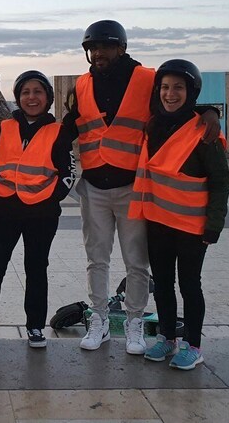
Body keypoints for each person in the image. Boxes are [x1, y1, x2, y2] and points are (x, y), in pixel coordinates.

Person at [61, 20, 220, 355]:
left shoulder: (148, 79)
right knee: (96, 259)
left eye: (105, 46)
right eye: (93, 48)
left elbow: (175, 106)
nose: (98, 53)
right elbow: (70, 124)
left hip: (133, 187)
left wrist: (207, 112)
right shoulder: (82, 84)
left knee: (136, 261)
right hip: (93, 187)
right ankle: (99, 318)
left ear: (121, 47)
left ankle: (134, 320)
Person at [129, 59, 229, 370]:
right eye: (165, 87)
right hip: (158, 221)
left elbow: (220, 180)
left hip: (191, 226)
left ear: (192, 91)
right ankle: (168, 339)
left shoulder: (204, 131)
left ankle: (193, 345)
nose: (170, 94)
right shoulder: (153, 125)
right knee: (161, 284)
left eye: (178, 88)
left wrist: (214, 225)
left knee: (189, 284)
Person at [0, 71, 75, 348]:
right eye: (25, 92)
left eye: (37, 92)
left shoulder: (58, 130)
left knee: (36, 268)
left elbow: (67, 171)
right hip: (5, 209)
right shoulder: (4, 127)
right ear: (18, 98)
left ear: (48, 97)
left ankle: (35, 326)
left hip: (42, 213)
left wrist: (50, 198)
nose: (31, 97)